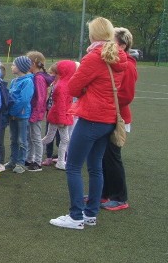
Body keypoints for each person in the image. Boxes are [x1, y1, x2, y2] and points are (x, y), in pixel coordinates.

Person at [49, 17, 126, 230]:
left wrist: (86, 90)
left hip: (92, 117)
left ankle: (76, 216)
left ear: (93, 35)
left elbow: (73, 88)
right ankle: (90, 214)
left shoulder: (94, 58)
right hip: (108, 119)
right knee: (95, 167)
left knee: (73, 166)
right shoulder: (119, 56)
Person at [100, 26, 137, 211]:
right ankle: (105, 194)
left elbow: (126, 96)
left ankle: (119, 197)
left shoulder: (128, 65)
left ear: (122, 45)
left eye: (111, 41)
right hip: (107, 115)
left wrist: (104, 99)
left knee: (112, 157)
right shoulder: (114, 62)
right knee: (103, 157)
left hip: (117, 118)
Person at [41, 60, 76, 170]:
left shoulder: (61, 83)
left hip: (58, 115)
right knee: (64, 139)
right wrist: (62, 119)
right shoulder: (63, 85)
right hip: (60, 116)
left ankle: (34, 152)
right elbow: (61, 104)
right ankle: (60, 161)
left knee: (49, 137)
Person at [25, 51, 52, 171]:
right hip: (33, 111)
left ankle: (37, 162)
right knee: (30, 136)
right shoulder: (36, 77)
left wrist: (36, 112)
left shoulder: (39, 78)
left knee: (35, 137)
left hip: (36, 112)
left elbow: (41, 98)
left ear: (34, 63)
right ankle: (29, 159)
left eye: (28, 63)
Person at [7, 56, 33, 174]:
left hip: (21, 115)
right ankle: (13, 161)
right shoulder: (14, 81)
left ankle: (21, 163)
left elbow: (24, 100)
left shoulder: (27, 81)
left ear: (21, 67)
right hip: (13, 114)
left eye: (14, 64)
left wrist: (12, 111)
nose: (12, 66)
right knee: (13, 139)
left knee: (22, 140)